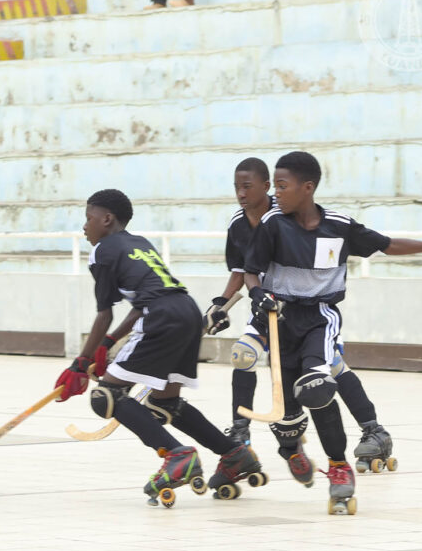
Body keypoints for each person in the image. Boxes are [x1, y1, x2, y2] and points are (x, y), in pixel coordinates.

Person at [243, 151, 422, 514]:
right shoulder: (272, 224)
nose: (275, 193)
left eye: (282, 185)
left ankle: (338, 467)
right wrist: (258, 294)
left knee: (317, 388)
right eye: (274, 186)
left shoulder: (339, 227)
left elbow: (386, 245)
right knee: (289, 420)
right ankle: (290, 448)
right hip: (281, 323)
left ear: (307, 188)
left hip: (319, 318)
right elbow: (251, 271)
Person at [55, 188, 265, 504]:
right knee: (165, 403)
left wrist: (80, 363)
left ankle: (177, 455)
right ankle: (234, 454)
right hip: (188, 312)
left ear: (107, 219)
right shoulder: (140, 243)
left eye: (89, 218)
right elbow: (138, 304)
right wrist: (109, 342)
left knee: (106, 396)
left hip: (161, 317)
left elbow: (104, 314)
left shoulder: (101, 251)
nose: (85, 226)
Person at [204, 157, 400, 481]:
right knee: (243, 356)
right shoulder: (239, 224)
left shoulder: (288, 213)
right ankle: (243, 434)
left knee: (327, 371)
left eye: (247, 187)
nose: (240, 194)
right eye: (236, 187)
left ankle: (372, 430)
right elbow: (243, 271)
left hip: (309, 310)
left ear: (267, 187)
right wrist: (221, 304)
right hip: (268, 309)